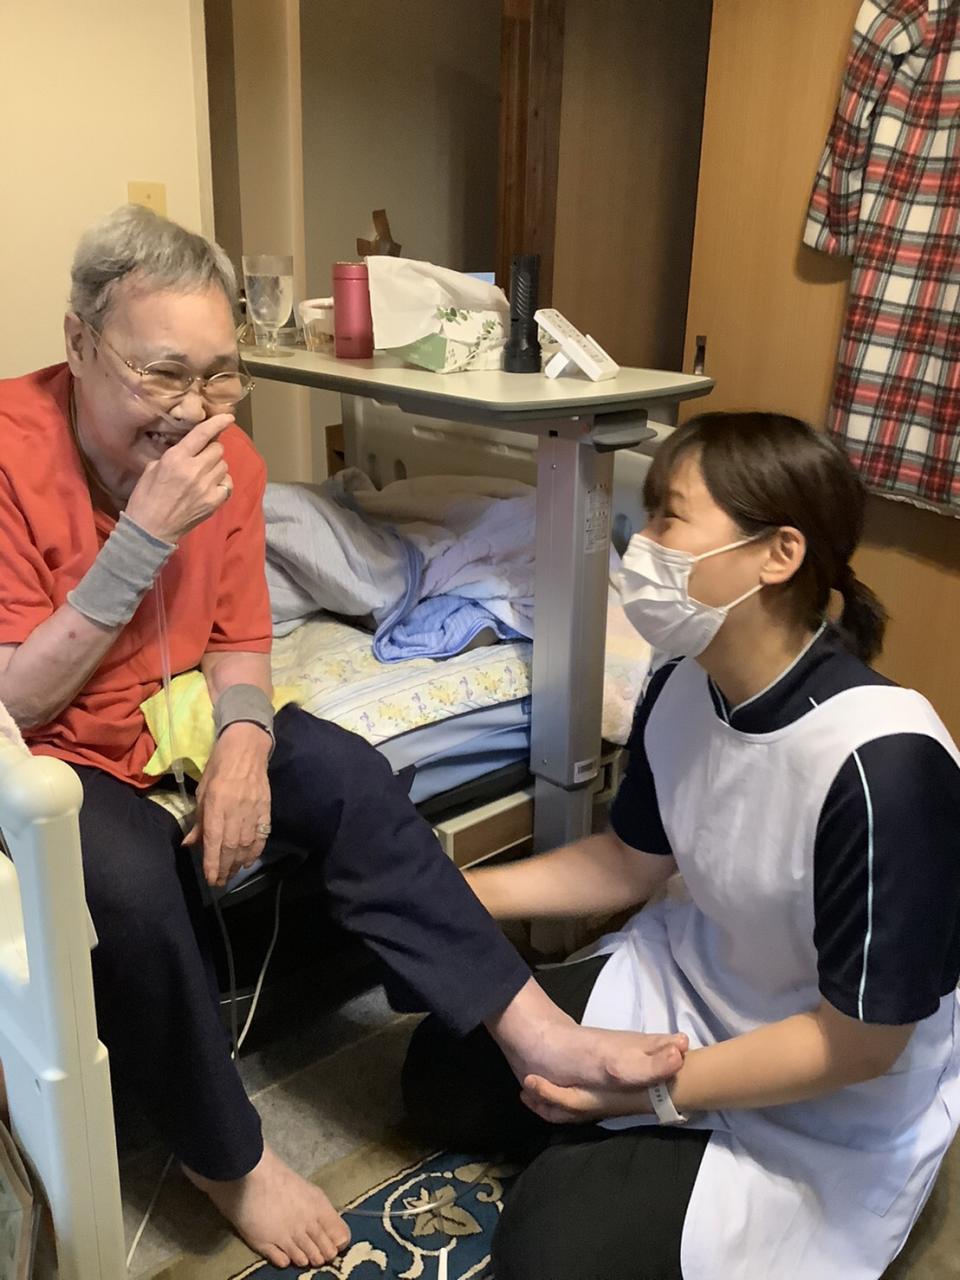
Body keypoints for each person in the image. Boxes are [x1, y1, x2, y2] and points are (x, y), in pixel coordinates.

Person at [0, 205, 686, 1270]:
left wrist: (243, 744)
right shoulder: (10, 454)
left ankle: (532, 1031)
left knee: (348, 773)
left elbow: (238, 638)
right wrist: (142, 539)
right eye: (163, 374)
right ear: (80, 344)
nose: (195, 410)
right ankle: (226, 1156)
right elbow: (16, 698)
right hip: (47, 749)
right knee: (128, 885)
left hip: (180, 717)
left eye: (221, 377)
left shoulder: (228, 459)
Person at [403, 411, 960, 1280]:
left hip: (828, 1092)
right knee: (441, 1070)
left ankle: (633, 1156)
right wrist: (463, 892)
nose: (642, 542)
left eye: (670, 516)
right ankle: (630, 1149)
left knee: (550, 1247)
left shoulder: (884, 764)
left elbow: (863, 1045)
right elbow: (629, 862)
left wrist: (644, 1086)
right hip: (690, 989)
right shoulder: (683, 682)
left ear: (779, 553)